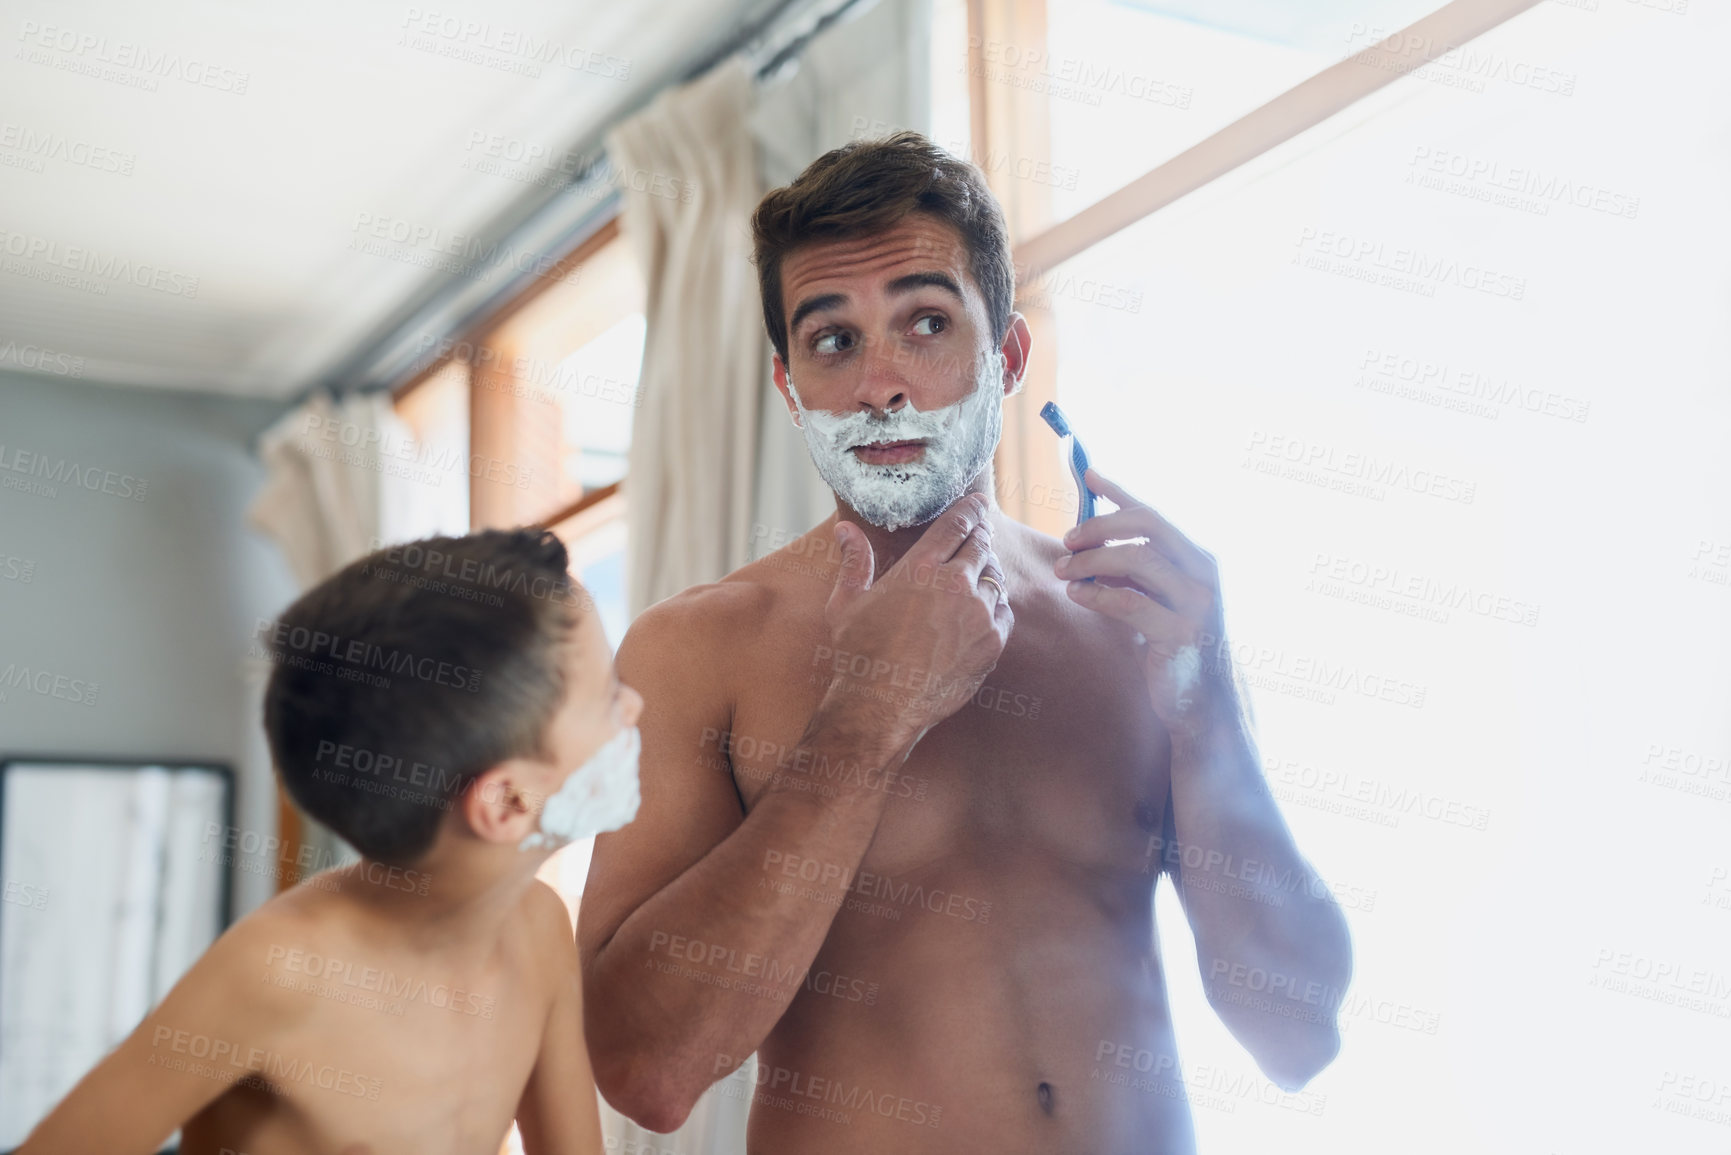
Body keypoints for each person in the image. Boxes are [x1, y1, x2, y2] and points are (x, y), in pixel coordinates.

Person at [577, 131, 1353, 1154]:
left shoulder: (1130, 627)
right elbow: (645, 1069)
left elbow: (1297, 1034)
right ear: (789, 386)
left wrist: (1207, 713)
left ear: (1010, 357)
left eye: (926, 324)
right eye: (835, 341)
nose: (882, 385)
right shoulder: (697, 651)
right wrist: (863, 724)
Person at [19, 529, 636, 1155]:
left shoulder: (540, 932)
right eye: (610, 698)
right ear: (506, 802)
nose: (635, 708)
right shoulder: (279, 970)